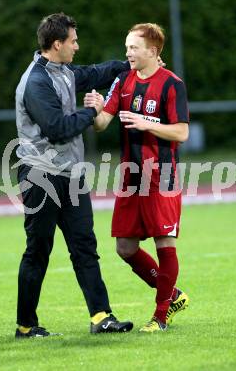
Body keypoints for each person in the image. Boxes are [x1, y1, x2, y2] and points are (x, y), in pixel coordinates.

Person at [14, 12, 134, 338]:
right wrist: (92, 111)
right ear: (57, 44)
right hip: (40, 176)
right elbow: (57, 129)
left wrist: (136, 64)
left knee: (84, 245)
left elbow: (97, 72)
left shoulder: (63, 71)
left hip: (71, 174)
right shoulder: (36, 83)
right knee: (38, 250)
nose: (77, 46)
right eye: (73, 41)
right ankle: (26, 325)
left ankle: (101, 316)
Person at [84, 23, 190, 333]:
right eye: (127, 46)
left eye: (134, 47)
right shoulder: (123, 81)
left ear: (153, 51)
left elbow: (181, 131)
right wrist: (97, 109)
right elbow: (103, 123)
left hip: (162, 174)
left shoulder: (172, 84)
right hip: (132, 176)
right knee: (125, 248)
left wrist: (146, 123)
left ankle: (160, 316)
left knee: (164, 243)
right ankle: (172, 295)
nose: (128, 52)